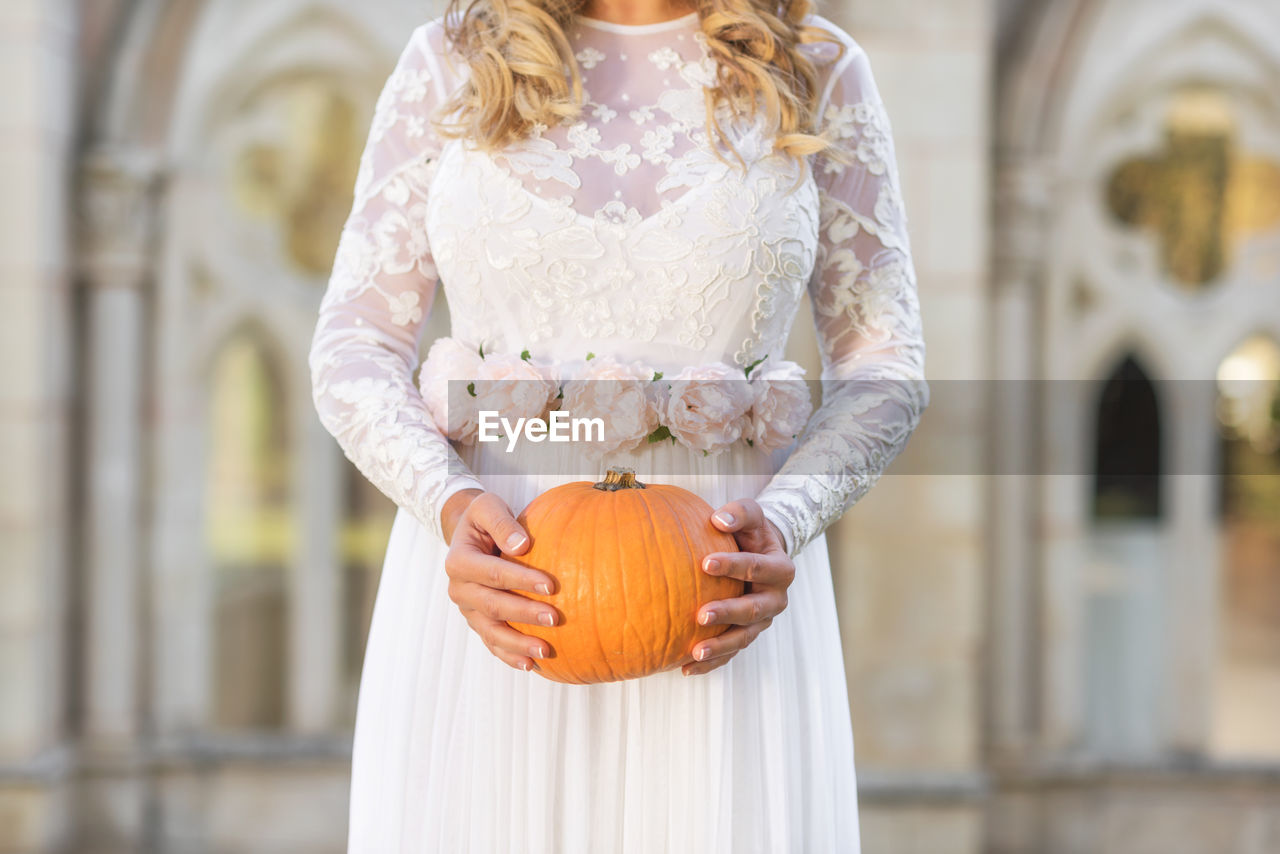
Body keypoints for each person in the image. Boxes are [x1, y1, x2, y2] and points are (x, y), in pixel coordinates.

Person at [308, 0, 929, 850]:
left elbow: (883, 363)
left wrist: (788, 519)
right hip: (498, 590)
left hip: (723, 596)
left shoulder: (816, 67)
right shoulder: (451, 60)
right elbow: (356, 342)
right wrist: (446, 500)